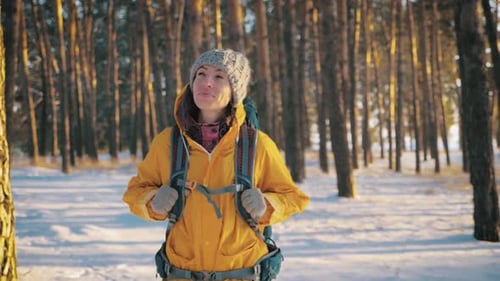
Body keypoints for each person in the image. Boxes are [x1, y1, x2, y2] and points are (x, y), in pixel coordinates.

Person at [123, 48, 310, 280]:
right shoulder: (168, 143)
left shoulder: (256, 145)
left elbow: (293, 198)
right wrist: (152, 202)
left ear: (235, 91)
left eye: (219, 76)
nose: (207, 82)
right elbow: (135, 192)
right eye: (201, 74)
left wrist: (267, 205)